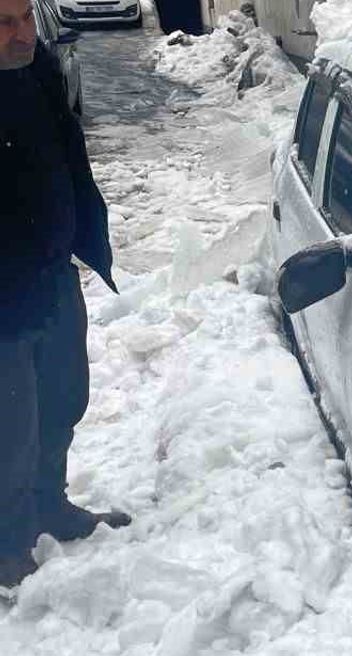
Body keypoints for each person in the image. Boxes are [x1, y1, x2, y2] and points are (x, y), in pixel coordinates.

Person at [1, 0, 130, 588]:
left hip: (52, 275)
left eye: (26, 17)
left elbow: (69, 155)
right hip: (3, 295)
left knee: (63, 397)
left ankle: (51, 503)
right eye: (4, 24)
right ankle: (7, 541)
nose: (22, 34)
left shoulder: (40, 70)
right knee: (10, 426)